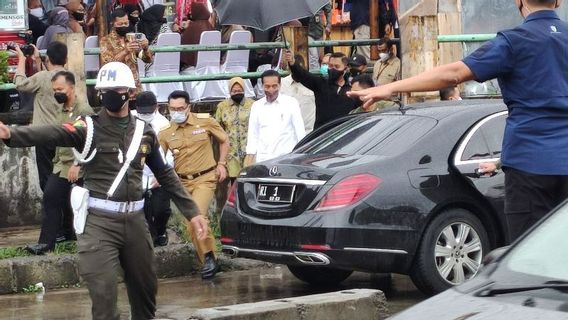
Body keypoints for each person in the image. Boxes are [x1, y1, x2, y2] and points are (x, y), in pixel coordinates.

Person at [0, 62, 208, 320]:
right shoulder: (87, 127)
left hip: (135, 222)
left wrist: (192, 212)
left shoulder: (144, 132)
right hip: (99, 224)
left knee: (145, 296)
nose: (110, 94)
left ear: (130, 93)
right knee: (104, 296)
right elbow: (53, 133)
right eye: (105, 90)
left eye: (117, 89)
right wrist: (12, 134)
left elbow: (165, 173)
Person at [349, 0, 568, 243]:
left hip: (529, 164)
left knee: (529, 252)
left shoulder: (513, 41)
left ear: (519, 1)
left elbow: (453, 74)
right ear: (558, 1)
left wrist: (388, 88)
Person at [159, 90, 229, 279]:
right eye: (173, 109)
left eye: (181, 108)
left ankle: (207, 259)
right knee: (191, 224)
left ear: (189, 106)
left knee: (197, 216)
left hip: (205, 178)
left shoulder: (205, 121)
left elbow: (224, 141)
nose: (177, 112)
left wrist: (221, 164)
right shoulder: (165, 133)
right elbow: (157, 159)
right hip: (181, 183)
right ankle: (211, 259)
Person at [25, 71, 94, 255]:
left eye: (60, 89)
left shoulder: (83, 111)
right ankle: (46, 243)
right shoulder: (61, 109)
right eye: (55, 89)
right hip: (60, 164)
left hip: (78, 167)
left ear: (72, 88)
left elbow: (91, 141)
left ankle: (89, 243)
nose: (57, 93)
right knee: (51, 197)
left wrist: (78, 164)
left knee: (84, 205)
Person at [12, 42, 68, 191]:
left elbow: (20, 84)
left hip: (43, 135)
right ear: (66, 59)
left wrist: (22, 59)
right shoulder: (70, 77)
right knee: (62, 175)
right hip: (65, 133)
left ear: (48, 58)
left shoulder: (43, 77)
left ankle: (51, 209)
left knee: (46, 177)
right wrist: (38, 60)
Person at [135, 91, 173, 246]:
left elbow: (170, 152)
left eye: (148, 112)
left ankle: (161, 231)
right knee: (142, 210)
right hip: (138, 173)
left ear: (156, 107)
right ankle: (148, 238)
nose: (145, 115)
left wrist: (162, 174)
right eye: (142, 112)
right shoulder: (130, 121)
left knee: (160, 209)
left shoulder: (164, 125)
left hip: (158, 173)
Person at [245, 70, 306, 165]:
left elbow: (300, 131)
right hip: (263, 160)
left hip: (286, 159)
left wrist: (302, 156)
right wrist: (250, 156)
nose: (271, 90)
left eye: (274, 86)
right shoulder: (256, 106)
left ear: (280, 85)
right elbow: (253, 134)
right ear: (262, 86)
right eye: (267, 86)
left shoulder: (291, 103)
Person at [285, 50, 358, 129]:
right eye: (330, 66)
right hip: (321, 134)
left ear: (345, 68)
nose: (332, 69)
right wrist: (292, 62)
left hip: (342, 134)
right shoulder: (321, 83)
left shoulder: (352, 90)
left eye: (336, 66)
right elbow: (303, 75)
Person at [100, 8, 153, 96]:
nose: (124, 26)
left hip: (135, 87)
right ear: (113, 24)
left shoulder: (131, 38)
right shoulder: (105, 41)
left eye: (126, 23)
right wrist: (125, 51)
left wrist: (145, 48)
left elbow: (147, 60)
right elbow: (108, 64)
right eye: (120, 24)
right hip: (118, 89)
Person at [214, 77, 254, 184]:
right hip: (231, 152)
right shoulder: (222, 106)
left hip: (249, 150)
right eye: (234, 91)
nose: (237, 93)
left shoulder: (253, 105)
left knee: (249, 180)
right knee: (234, 183)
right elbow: (217, 128)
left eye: (240, 91)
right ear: (229, 91)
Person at [280, 55, 316, 133]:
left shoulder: (313, 83)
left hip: (308, 132)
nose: (297, 72)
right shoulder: (282, 84)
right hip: (287, 131)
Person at [180, 1, 214, 70]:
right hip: (211, 66)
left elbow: (183, 48)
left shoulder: (192, 27)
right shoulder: (210, 27)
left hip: (193, 68)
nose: (190, 13)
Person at [307, 3, 332, 70]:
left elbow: (328, 10)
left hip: (319, 30)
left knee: (316, 57)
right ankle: (316, 77)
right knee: (313, 56)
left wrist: (329, 25)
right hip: (306, 31)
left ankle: (314, 75)